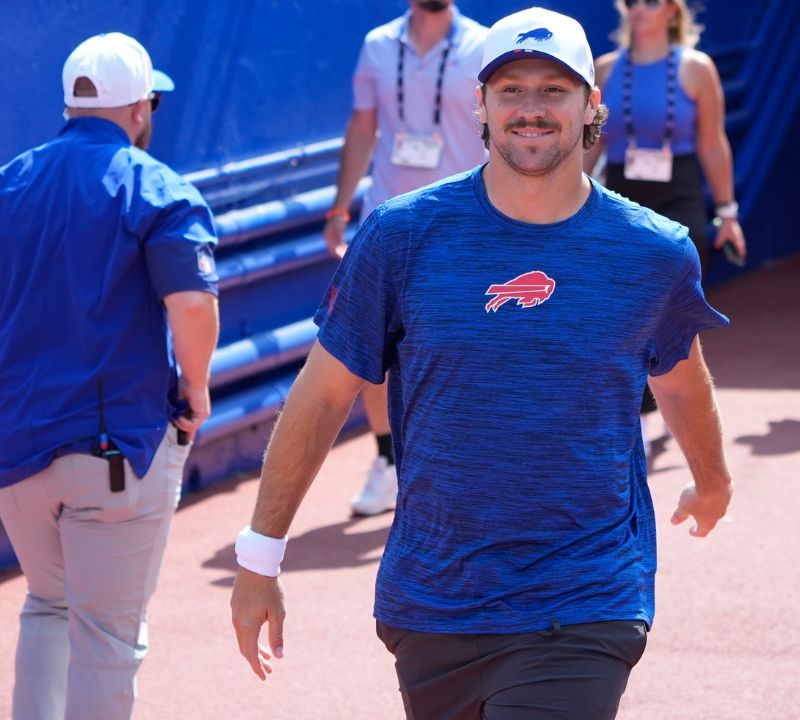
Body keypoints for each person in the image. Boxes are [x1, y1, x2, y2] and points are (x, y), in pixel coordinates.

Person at [230, 8, 734, 719]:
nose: (531, 110)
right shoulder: (401, 236)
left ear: (591, 105)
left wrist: (712, 482)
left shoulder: (652, 252)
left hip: (584, 598)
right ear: (482, 105)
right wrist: (259, 558)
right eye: (512, 91)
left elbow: (681, 378)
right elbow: (321, 396)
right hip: (433, 601)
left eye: (554, 91)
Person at [0, 33, 219, 720]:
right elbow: (191, 301)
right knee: (106, 638)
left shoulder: (10, 181)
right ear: (140, 106)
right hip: (113, 450)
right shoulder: (153, 184)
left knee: (46, 608)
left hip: (17, 452)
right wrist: (198, 386)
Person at [322, 0, 489, 517]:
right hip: (389, 220)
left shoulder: (484, 45)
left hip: (464, 223)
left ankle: (465, 461)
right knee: (379, 349)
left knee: (468, 346)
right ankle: (389, 461)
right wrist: (339, 207)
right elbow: (363, 126)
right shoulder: (377, 45)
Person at [585, 0, 746, 451]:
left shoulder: (696, 68)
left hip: (681, 195)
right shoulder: (606, 69)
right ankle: (639, 406)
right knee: (623, 310)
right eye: (632, 1)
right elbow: (590, 146)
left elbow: (714, 144)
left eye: (650, 1)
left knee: (673, 309)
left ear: (673, 10)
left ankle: (674, 403)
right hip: (623, 197)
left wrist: (728, 213)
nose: (639, 8)